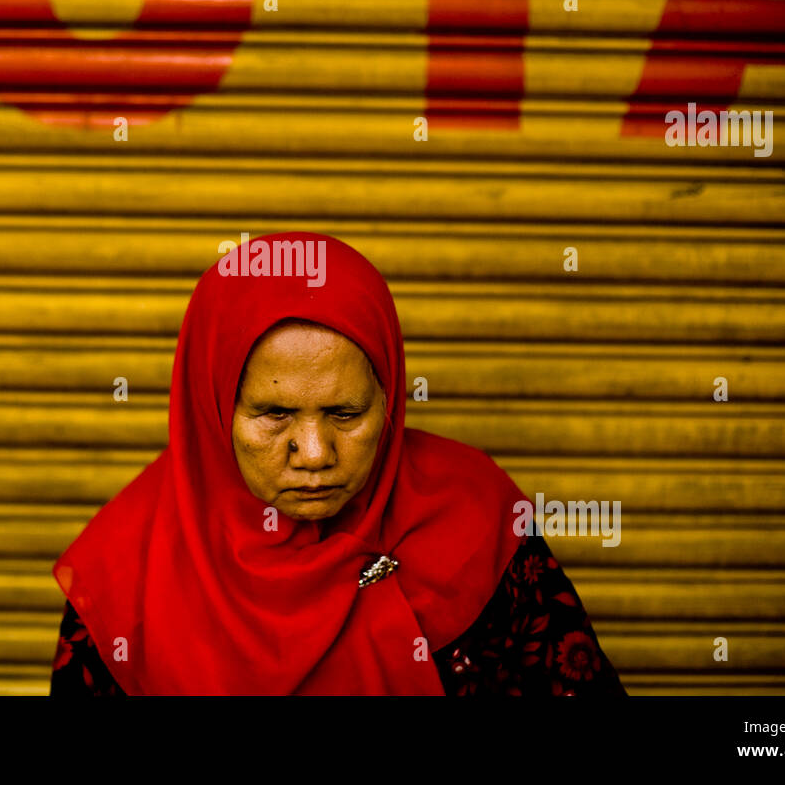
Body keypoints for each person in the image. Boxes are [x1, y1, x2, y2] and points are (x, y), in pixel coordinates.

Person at [50, 232, 624, 695]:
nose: (316, 454)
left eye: (346, 413)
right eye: (273, 414)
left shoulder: (478, 519)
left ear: (390, 398)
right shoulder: (126, 571)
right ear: (211, 407)